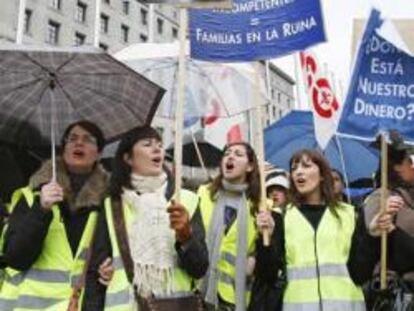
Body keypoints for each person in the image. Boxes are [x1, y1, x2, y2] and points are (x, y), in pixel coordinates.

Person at [83, 125, 209, 310]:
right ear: (128, 158)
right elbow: (96, 273)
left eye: (159, 144)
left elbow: (199, 269)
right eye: (147, 144)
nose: (157, 148)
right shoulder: (112, 205)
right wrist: (103, 274)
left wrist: (186, 237)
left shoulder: (186, 201)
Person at [255, 149, 397, 311]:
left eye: (306, 166)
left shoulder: (349, 214)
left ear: (322, 174)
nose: (299, 172)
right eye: (294, 169)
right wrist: (266, 238)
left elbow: (360, 274)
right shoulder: (281, 217)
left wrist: (372, 235)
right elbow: (268, 275)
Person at [0, 120, 109, 310]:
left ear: (99, 153)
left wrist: (111, 270)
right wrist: (41, 210)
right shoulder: (32, 195)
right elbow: (15, 258)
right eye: (72, 138)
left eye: (88, 139)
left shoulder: (111, 202)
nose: (79, 143)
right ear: (63, 148)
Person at [198, 142, 261, 311]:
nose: (230, 156)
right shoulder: (203, 194)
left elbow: (265, 255)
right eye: (227, 153)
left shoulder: (260, 207)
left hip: (233, 299)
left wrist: (256, 259)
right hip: (198, 294)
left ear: (250, 166)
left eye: (238, 154)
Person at [364, 131, 414, 308]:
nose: (413, 166)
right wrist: (382, 222)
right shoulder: (380, 198)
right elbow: (372, 239)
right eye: (411, 161)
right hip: (398, 293)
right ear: (396, 167)